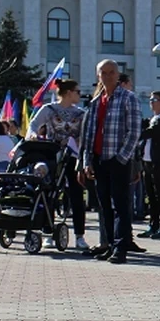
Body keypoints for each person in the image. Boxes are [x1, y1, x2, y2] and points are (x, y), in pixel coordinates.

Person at [79, 59, 142, 264]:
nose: (107, 76)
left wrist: (122, 158)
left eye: (111, 72)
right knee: (104, 205)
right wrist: (87, 161)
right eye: (103, 73)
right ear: (98, 76)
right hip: (98, 159)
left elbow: (134, 131)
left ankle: (121, 248)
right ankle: (109, 244)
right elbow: (89, 133)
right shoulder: (96, 101)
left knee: (120, 205)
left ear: (118, 74)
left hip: (118, 160)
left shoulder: (128, 98)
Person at [27, 78, 89, 250]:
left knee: (77, 195)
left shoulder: (81, 113)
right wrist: (33, 134)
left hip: (73, 157)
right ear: (68, 93)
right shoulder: (49, 109)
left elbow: (86, 136)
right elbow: (33, 124)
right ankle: (48, 232)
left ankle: (79, 235)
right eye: (77, 91)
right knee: (49, 194)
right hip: (52, 155)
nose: (79, 95)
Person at [138, 91, 160, 241]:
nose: (151, 102)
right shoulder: (152, 119)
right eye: (150, 99)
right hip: (147, 162)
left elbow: (148, 133)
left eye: (155, 100)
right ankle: (153, 225)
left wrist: (136, 133)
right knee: (151, 196)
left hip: (158, 163)